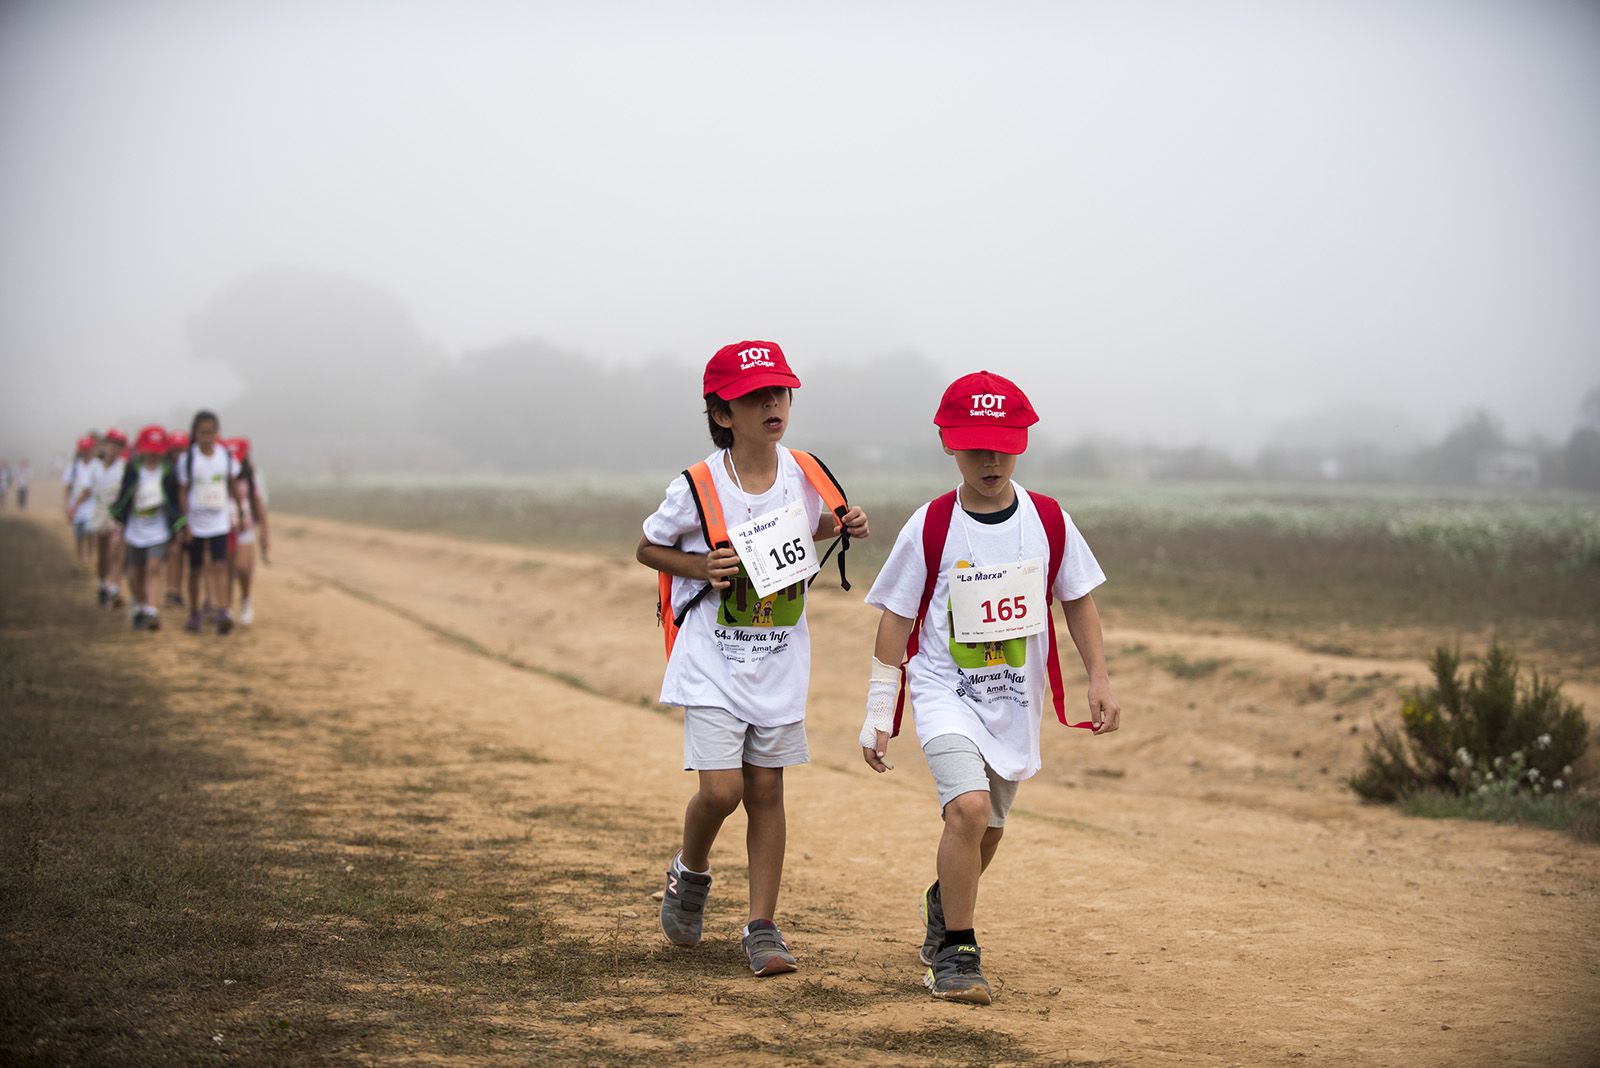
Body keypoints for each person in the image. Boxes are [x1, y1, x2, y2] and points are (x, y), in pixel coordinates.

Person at [858, 370, 1121, 1005]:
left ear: (1021, 443)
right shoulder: (930, 525)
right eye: (975, 445)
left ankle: (943, 902)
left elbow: (1078, 601)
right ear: (950, 445)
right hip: (944, 692)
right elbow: (895, 617)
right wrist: (877, 712)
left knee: (988, 831)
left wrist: (1100, 680)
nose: (990, 458)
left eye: (1002, 443)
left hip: (1014, 700)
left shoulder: (1049, 520)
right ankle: (957, 952)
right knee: (968, 811)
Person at [637, 340, 869, 976]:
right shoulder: (697, 485)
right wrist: (698, 565)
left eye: (780, 392)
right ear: (722, 414)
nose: (773, 403)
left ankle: (763, 926)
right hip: (711, 656)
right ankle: (691, 871)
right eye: (754, 396)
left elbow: (802, 528)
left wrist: (841, 525)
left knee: (766, 787)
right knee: (722, 791)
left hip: (779, 654)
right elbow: (648, 548)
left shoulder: (807, 473)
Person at [109, 425, 182, 630]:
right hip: (134, 529)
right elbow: (123, 497)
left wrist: (178, 526)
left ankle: (151, 610)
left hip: (158, 530)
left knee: (154, 567)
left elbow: (174, 502)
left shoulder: (168, 472)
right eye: (149, 450)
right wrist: (119, 521)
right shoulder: (133, 469)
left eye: (157, 451)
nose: (153, 455)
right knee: (133, 572)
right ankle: (140, 604)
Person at [177, 410, 240, 635]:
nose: (207, 437)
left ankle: (222, 609)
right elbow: (183, 491)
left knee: (220, 565)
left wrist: (239, 511)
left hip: (219, 521)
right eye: (202, 432)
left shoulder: (225, 456)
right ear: (195, 433)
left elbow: (232, 484)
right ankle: (194, 612)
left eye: (211, 432)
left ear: (216, 433)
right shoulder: (188, 459)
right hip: (196, 522)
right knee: (195, 569)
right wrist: (185, 522)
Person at [70, 429, 128, 607]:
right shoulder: (95, 467)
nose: (113, 449)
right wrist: (74, 506)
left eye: (117, 445)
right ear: (104, 446)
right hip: (100, 511)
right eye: (111, 444)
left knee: (115, 551)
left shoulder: (125, 467)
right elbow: (87, 490)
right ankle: (103, 584)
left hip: (117, 514)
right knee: (103, 553)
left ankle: (115, 588)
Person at [224, 436, 269, 625]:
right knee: (226, 568)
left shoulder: (252, 476)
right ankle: (224, 608)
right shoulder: (221, 472)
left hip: (245, 527)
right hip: (223, 526)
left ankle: (245, 600)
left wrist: (265, 532)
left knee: (242, 567)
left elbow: (259, 504)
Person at [163, 428, 191, 608]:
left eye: (182, 450)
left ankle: (184, 591)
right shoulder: (166, 473)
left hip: (192, 518)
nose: (179, 454)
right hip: (172, 518)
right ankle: (173, 590)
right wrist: (178, 523)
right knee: (174, 553)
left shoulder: (192, 469)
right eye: (176, 450)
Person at [62, 436, 97, 563]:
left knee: (90, 532)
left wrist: (73, 506)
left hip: (92, 506)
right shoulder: (73, 467)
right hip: (76, 508)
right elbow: (66, 487)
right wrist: (67, 506)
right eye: (84, 449)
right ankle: (80, 560)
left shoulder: (96, 466)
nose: (86, 451)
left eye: (88, 449)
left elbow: (89, 490)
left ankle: (90, 557)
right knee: (79, 535)